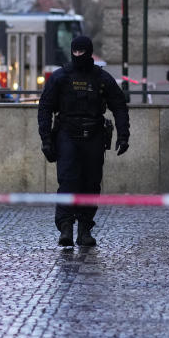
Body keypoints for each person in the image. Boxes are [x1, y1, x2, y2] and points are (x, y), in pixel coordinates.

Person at [38, 35, 130, 247]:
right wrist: (46, 139)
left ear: (89, 53)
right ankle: (66, 227)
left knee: (91, 184)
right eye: (75, 52)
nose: (78, 55)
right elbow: (45, 108)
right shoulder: (60, 77)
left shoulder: (102, 78)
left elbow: (119, 106)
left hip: (94, 136)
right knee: (68, 182)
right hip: (66, 136)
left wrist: (124, 135)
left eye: (82, 52)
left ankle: (85, 229)